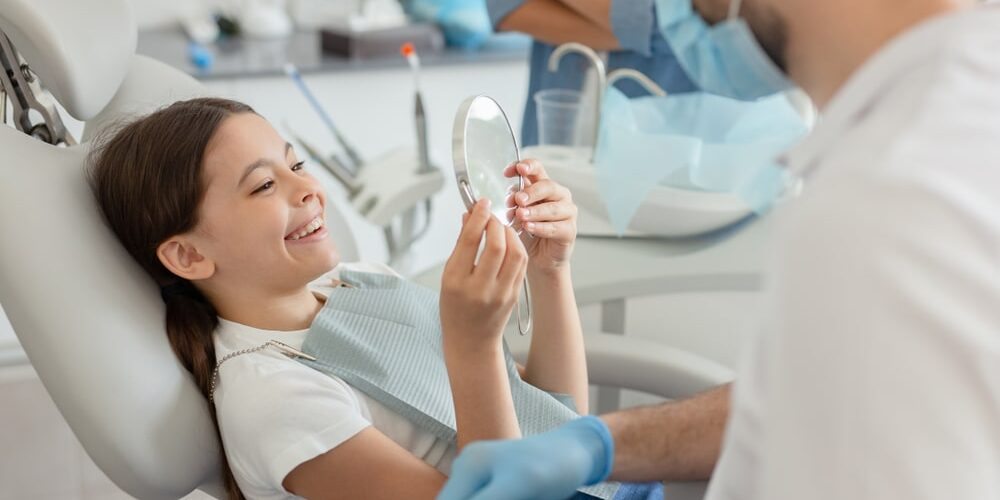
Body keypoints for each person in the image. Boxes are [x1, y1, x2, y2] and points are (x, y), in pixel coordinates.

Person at [439, 0, 1000, 499]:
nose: (671, 10)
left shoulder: (880, 209)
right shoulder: (957, 114)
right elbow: (821, 399)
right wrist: (602, 442)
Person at [85, 97, 591, 499]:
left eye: (296, 164)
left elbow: (552, 422)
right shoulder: (274, 400)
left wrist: (550, 271)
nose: (308, 188)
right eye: (263, 185)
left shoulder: (361, 281)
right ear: (189, 256)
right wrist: (473, 347)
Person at [486, 0, 698, 146]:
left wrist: (649, 27)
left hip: (662, 145)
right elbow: (506, 10)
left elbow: (673, 22)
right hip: (552, 135)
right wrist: (632, 28)